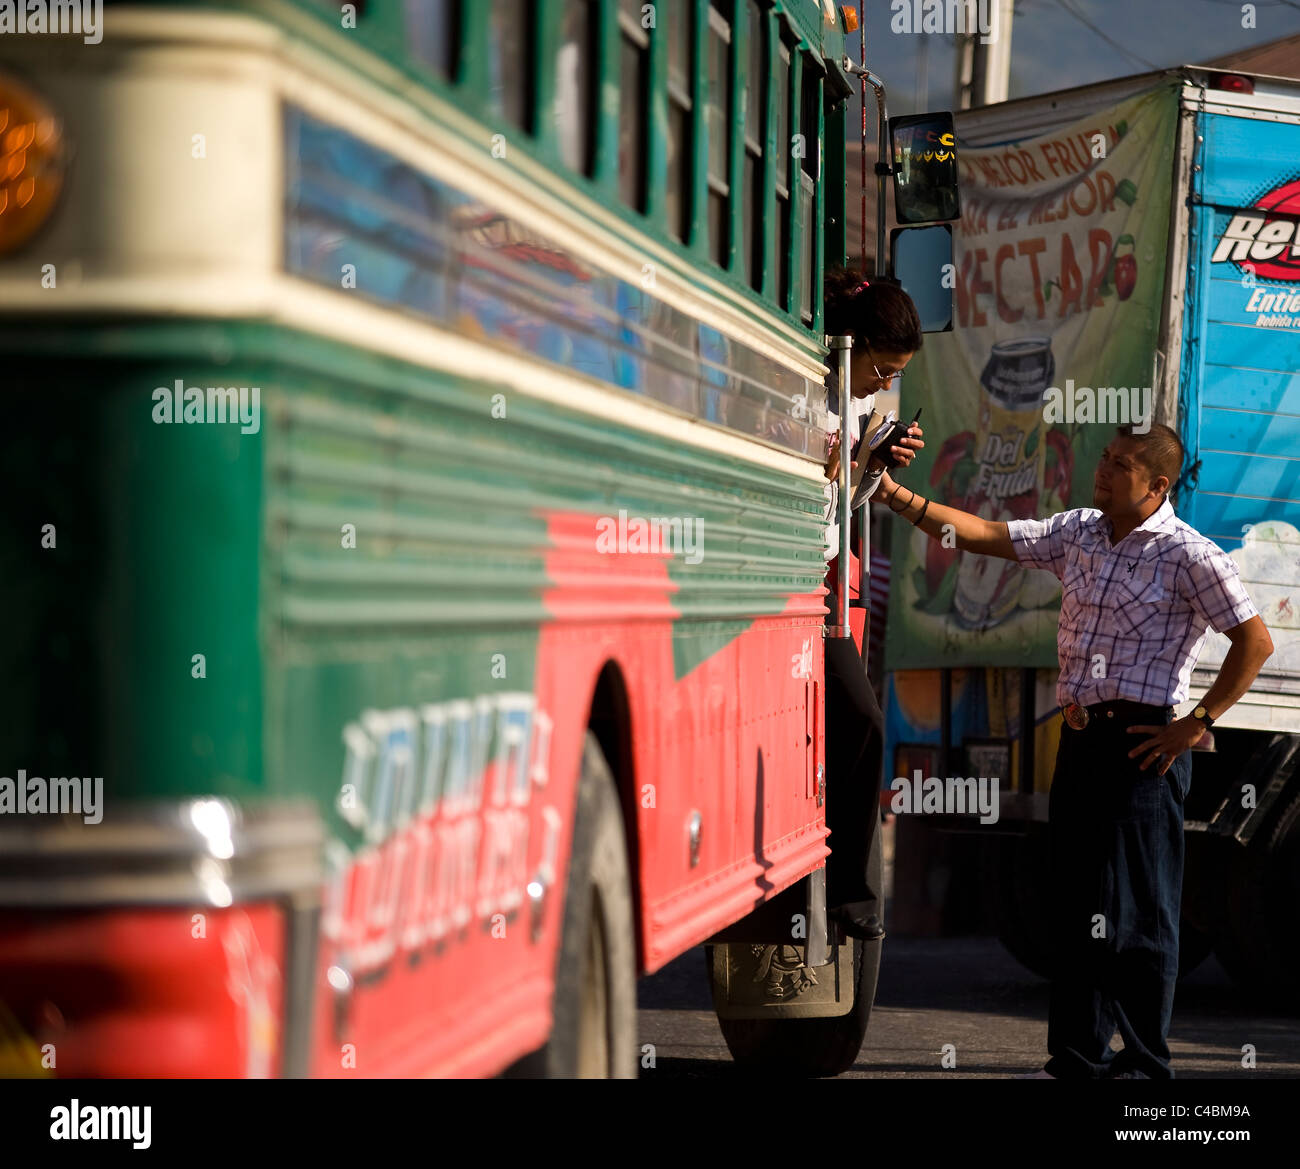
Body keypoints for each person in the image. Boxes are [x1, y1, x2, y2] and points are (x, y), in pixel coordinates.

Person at [875, 423, 1275, 1078]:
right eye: (1106, 460)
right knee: (1082, 909)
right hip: (1083, 740)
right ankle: (1077, 1056)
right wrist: (895, 495)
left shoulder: (1189, 553)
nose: (1104, 472)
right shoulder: (1081, 531)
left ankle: (1146, 1064)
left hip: (1147, 746)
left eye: (1122, 466)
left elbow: (1253, 642)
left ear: (1157, 484)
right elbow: (988, 535)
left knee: (1143, 915)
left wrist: (1195, 721)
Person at [820, 269, 925, 941]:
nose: (884, 385)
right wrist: (855, 455)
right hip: (790, 583)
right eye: (881, 369)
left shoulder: (857, 402)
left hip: (820, 579)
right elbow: (810, 485)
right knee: (861, 721)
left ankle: (845, 891)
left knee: (858, 726)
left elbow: (846, 504)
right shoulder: (811, 384)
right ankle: (847, 892)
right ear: (850, 344)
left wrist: (876, 462)